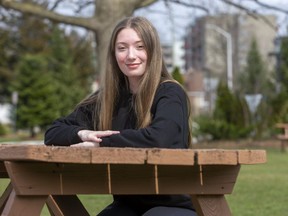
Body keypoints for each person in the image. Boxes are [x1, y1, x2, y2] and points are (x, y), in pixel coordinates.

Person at [45, 16, 197, 216]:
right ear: (114, 54)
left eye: (140, 47)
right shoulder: (107, 98)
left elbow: (161, 138)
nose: (131, 56)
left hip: (172, 205)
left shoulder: (168, 92)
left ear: (153, 51)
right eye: (122, 48)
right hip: (128, 205)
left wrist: (103, 143)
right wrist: (84, 134)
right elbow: (53, 133)